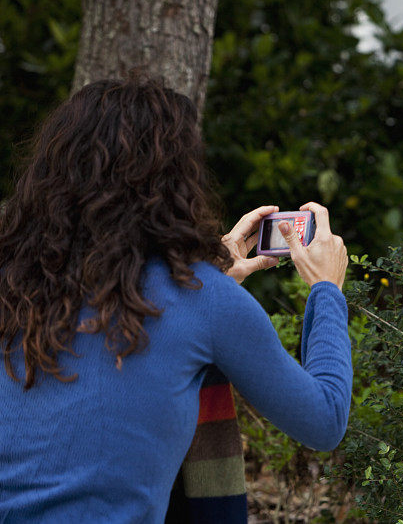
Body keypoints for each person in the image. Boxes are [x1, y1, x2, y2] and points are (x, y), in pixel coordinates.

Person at [0, 78, 352, 523]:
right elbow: (324, 420)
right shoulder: (205, 301)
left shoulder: (12, 283)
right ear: (176, 181)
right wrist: (326, 291)